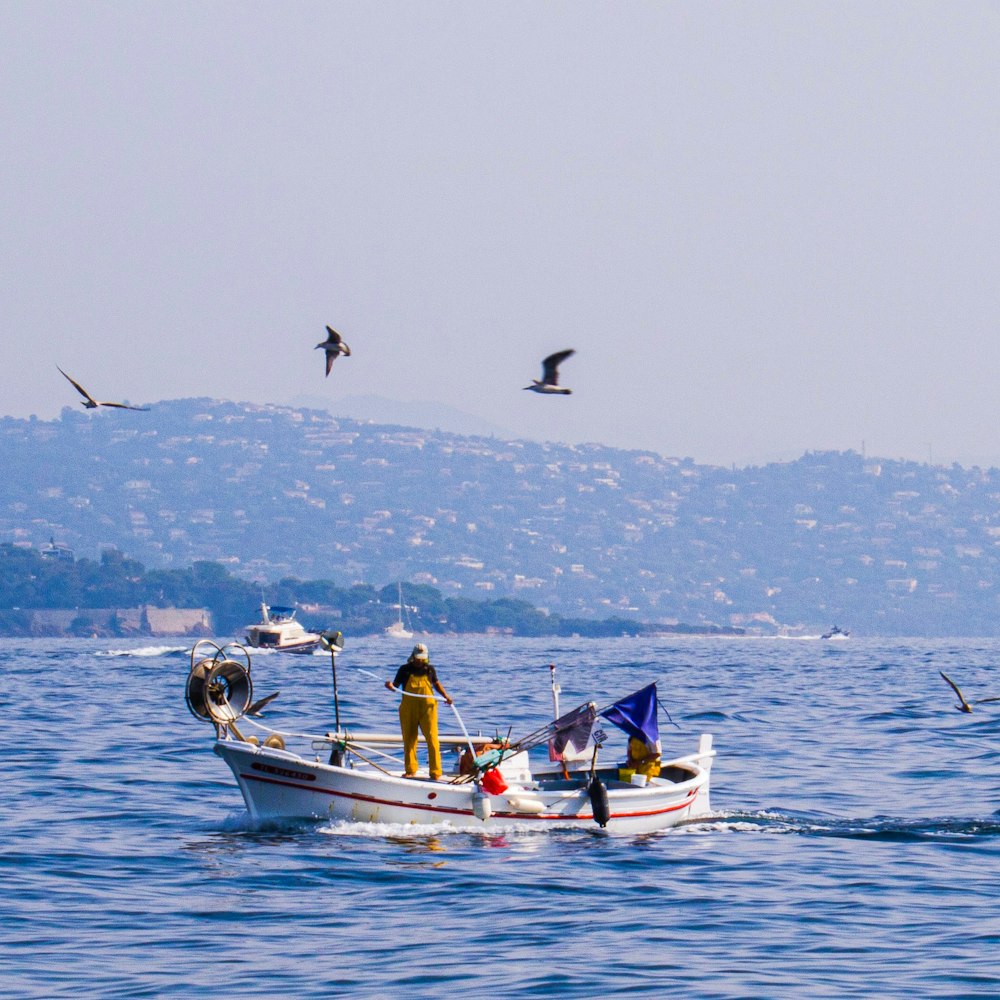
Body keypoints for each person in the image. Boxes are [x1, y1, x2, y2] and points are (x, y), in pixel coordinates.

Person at [385, 643, 452, 780]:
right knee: (409, 740)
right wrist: (390, 686)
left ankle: (435, 772)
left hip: (428, 708)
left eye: (422, 658)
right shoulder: (404, 670)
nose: (420, 660)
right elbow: (395, 687)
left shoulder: (429, 669)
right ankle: (410, 770)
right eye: (418, 657)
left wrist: (446, 696)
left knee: (432, 739)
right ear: (413, 656)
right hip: (408, 708)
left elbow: (436, 684)